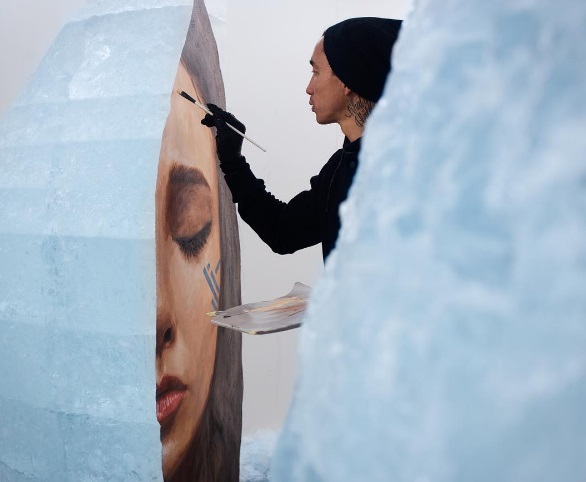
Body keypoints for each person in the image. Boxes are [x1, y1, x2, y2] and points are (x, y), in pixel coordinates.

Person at [202, 17, 403, 261]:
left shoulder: (411, 173)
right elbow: (282, 231)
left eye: (316, 72)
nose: (309, 87)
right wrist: (233, 161)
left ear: (347, 80)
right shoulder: (339, 170)